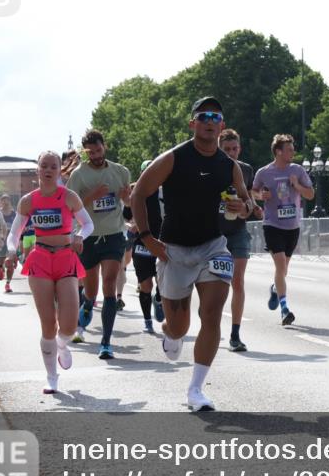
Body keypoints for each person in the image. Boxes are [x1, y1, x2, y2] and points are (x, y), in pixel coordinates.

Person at [131, 96, 252, 412]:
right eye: (204, 116)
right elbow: (138, 193)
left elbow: (248, 203)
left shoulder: (229, 166)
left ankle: (196, 390)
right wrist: (147, 237)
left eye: (216, 117)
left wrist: (243, 207)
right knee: (179, 327)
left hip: (213, 246)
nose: (210, 122)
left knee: (211, 314)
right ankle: (170, 333)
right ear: (193, 123)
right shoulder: (174, 158)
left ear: (222, 125)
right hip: (174, 251)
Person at [6, 150, 95, 394]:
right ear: (38, 169)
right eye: (44, 166)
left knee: (68, 326)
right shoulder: (28, 201)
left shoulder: (69, 197)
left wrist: (79, 235)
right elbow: (14, 233)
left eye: (53, 166)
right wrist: (11, 251)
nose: (48, 170)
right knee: (47, 323)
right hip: (40, 260)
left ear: (59, 171)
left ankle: (62, 345)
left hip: (66, 258)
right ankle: (52, 377)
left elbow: (88, 224)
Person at [66, 130, 131, 360]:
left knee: (109, 283)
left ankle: (106, 342)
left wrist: (126, 198)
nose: (95, 155)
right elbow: (70, 208)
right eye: (91, 152)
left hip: (114, 235)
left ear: (105, 146)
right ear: (86, 152)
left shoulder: (120, 171)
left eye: (98, 150)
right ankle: (86, 305)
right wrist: (92, 196)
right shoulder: (78, 175)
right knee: (91, 291)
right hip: (89, 237)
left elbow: (129, 203)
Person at [252, 134, 314, 326]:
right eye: (289, 149)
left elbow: (310, 194)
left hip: (292, 226)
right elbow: (253, 191)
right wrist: (261, 195)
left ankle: (275, 288)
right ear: (278, 151)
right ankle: (284, 309)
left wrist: (297, 185)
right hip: (272, 225)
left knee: (283, 270)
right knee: (280, 266)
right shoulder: (264, 172)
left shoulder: (297, 170)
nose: (293, 152)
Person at [219, 129, 262, 351]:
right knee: (214, 284)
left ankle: (235, 334)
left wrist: (251, 209)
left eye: (234, 149)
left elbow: (249, 199)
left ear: (239, 149)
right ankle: (209, 322)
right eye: (226, 149)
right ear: (219, 149)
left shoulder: (245, 170)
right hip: (213, 233)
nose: (231, 153)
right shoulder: (210, 168)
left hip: (237, 231)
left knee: (237, 281)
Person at [123, 160, 166, 334]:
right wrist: (131, 225)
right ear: (142, 174)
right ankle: (147, 320)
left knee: (162, 282)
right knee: (146, 285)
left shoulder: (165, 191)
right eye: (146, 172)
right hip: (141, 243)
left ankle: (159, 298)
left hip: (162, 242)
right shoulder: (135, 192)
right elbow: (125, 218)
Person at [0, 195, 17, 292]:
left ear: (10, 201)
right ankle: (0, 268)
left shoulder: (14, 214)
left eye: (7, 200)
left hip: (11, 241)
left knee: (10, 263)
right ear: (1, 202)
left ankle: (8, 284)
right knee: (0, 261)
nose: (5, 202)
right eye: (3, 201)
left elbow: (19, 227)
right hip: (0, 240)